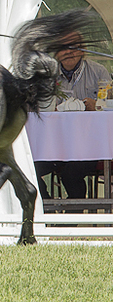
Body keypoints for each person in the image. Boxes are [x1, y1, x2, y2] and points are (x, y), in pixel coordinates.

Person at [35, 31, 111, 199]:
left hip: (89, 145)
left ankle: (72, 219)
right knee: (29, 169)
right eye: (63, 48)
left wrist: (97, 105)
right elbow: (38, 106)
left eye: (73, 47)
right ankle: (46, 212)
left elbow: (109, 108)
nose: (68, 52)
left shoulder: (99, 72)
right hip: (55, 145)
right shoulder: (47, 76)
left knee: (71, 175)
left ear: (82, 50)